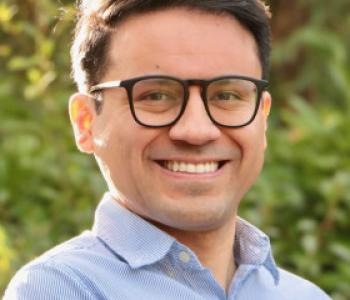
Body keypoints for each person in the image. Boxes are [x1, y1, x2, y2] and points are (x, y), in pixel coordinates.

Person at [4, 0, 331, 299]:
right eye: (155, 96)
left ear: (262, 117)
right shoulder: (59, 289)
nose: (197, 131)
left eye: (227, 96)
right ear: (87, 122)